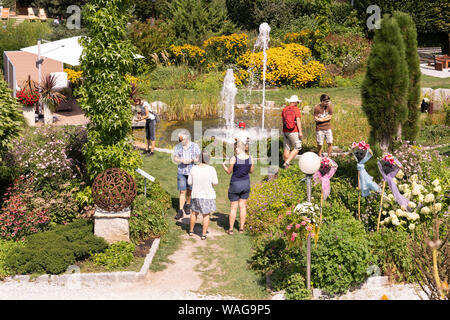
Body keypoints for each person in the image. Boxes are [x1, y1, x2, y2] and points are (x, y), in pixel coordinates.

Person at [222, 141, 254, 234]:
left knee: (233, 207)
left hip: (235, 184)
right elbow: (251, 171)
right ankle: (241, 228)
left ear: (237, 148)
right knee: (243, 206)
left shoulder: (234, 158)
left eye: (234, 148)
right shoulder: (250, 158)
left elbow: (229, 171)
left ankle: (231, 229)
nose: (234, 150)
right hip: (246, 183)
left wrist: (223, 165)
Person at [187, 151, 218, 240]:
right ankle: (203, 234)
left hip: (196, 194)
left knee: (194, 213)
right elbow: (215, 182)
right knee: (206, 215)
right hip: (208, 195)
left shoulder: (193, 168)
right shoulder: (211, 169)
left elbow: (189, 182)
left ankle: (191, 231)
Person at [172, 131, 201, 220]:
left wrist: (191, 160)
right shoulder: (178, 147)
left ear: (187, 139)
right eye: (179, 140)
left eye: (181, 140)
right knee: (182, 191)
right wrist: (181, 160)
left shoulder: (195, 146)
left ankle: (188, 205)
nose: (180, 142)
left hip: (192, 172)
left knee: (189, 191)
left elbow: (198, 157)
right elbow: (175, 157)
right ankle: (180, 210)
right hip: (181, 171)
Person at [281, 95, 303, 168]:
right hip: (294, 131)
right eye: (297, 102)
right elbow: (298, 120)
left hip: (285, 131)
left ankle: (286, 167)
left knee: (287, 148)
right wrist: (300, 132)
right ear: (295, 102)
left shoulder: (284, 109)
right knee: (298, 147)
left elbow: (283, 121)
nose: (297, 103)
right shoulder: (295, 109)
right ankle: (287, 162)